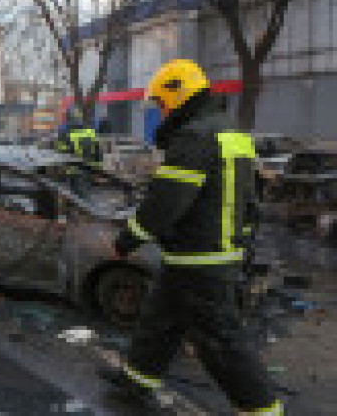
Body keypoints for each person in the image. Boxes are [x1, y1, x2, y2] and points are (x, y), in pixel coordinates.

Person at [102, 59, 281, 414]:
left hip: (202, 257)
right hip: (202, 253)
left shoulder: (195, 136)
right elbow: (249, 196)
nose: (161, 110)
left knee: (220, 341)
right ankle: (136, 382)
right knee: (160, 321)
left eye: (161, 102)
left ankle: (262, 409)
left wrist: (128, 240)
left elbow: (166, 202)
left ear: (178, 93)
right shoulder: (230, 130)